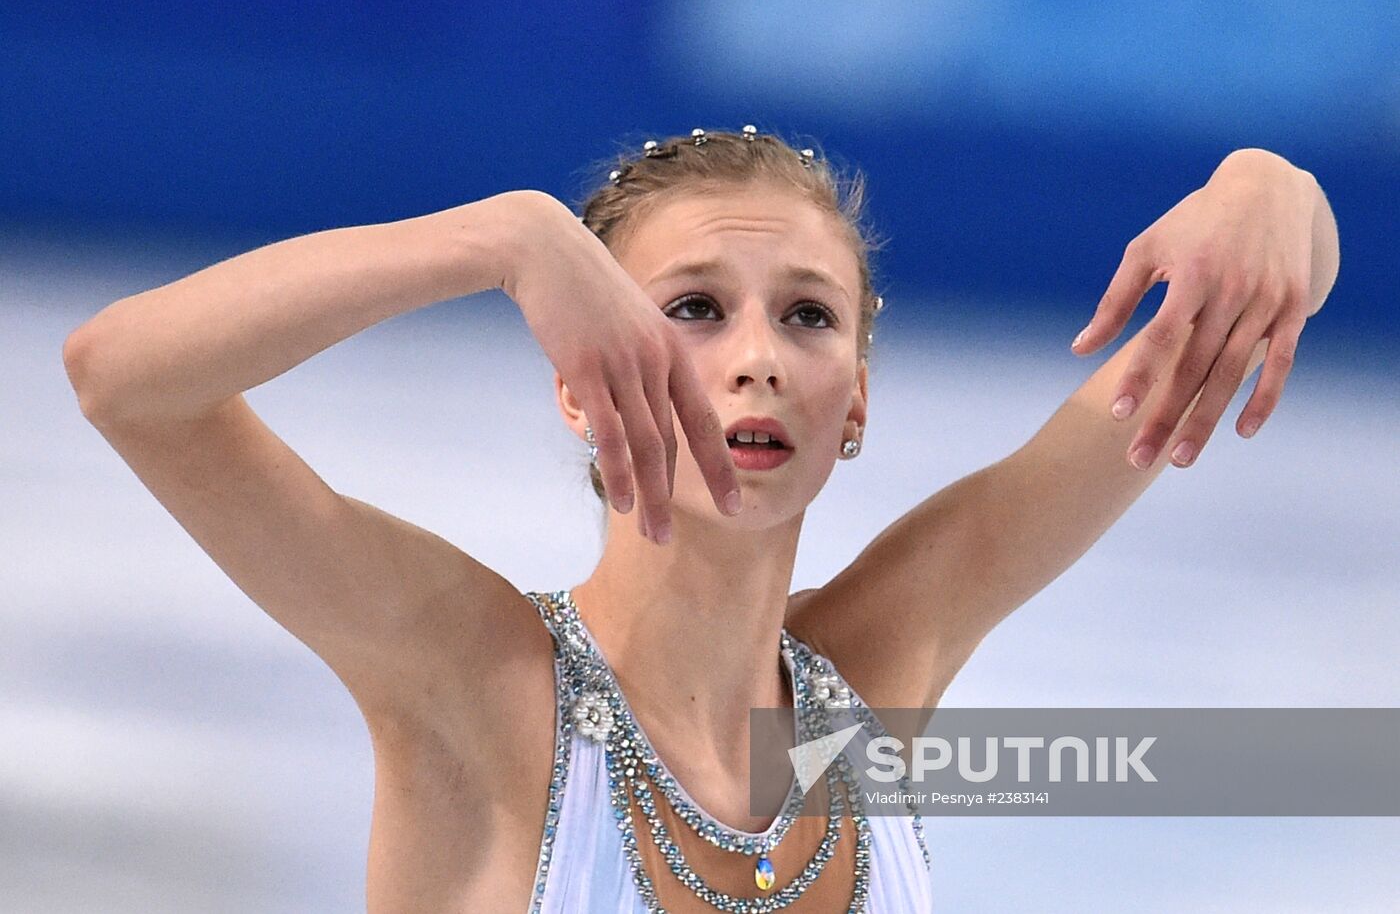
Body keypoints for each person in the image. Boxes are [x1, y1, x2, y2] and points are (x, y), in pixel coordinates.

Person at [61, 125, 1338, 912]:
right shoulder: (474, 679)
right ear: (578, 375)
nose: (756, 359)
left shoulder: (874, 678)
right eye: (690, 308)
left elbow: (1218, 318)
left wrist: (1272, 182)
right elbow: (125, 377)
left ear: (852, 406)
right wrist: (494, 241)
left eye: (806, 315)